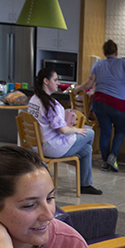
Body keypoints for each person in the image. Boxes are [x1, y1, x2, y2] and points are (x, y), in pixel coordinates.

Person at [75, 39, 125, 172]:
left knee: (105, 132)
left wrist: (76, 89)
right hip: (119, 104)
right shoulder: (123, 63)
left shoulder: (98, 65)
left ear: (104, 53)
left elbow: (88, 84)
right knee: (120, 131)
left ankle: (105, 162)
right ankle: (113, 157)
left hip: (100, 102)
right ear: (116, 51)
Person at [28, 67, 102, 195]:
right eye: (55, 80)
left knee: (86, 150)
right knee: (90, 133)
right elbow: (62, 130)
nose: (58, 83)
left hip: (37, 145)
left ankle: (85, 184)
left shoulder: (33, 100)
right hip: (52, 147)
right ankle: (84, 183)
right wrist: (76, 130)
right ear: (46, 81)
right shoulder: (51, 104)